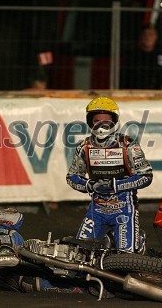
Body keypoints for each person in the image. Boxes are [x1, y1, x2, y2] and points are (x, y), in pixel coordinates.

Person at [66, 96, 153, 253]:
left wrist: (116, 185)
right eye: (96, 120)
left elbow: (146, 176)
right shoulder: (84, 147)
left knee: (126, 256)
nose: (101, 125)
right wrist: (88, 185)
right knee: (79, 252)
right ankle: (108, 240)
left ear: (115, 120)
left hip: (124, 208)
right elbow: (71, 177)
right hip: (97, 209)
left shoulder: (127, 144)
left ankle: (137, 241)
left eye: (106, 120)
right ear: (89, 121)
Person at [120, 24, 162, 90]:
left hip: (155, 94)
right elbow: (124, 79)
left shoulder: (160, 56)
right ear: (141, 37)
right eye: (145, 34)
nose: (147, 38)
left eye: (151, 34)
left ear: (156, 37)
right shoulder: (132, 57)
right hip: (136, 93)